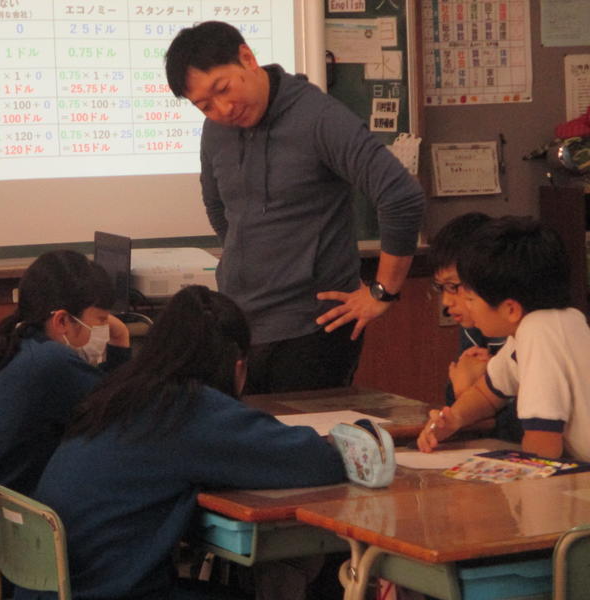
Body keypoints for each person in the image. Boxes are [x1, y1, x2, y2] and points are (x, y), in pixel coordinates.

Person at [16, 285, 346, 600]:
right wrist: (359, 434)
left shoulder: (120, 392)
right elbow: (319, 461)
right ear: (237, 365)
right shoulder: (189, 408)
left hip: (56, 589)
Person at [164, 21, 425, 394]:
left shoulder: (318, 117)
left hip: (312, 330)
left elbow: (401, 195)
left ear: (247, 58)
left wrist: (383, 291)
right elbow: (218, 206)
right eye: (204, 105)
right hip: (240, 324)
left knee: (301, 431)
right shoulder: (216, 129)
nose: (222, 109)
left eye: (223, 89)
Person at [0, 250, 131, 599]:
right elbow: (125, 415)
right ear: (62, 320)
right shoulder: (52, 362)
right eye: (99, 320)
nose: (103, 328)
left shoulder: (20, 344)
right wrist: (121, 341)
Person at [418, 217, 590, 461]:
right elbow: (488, 394)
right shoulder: (557, 321)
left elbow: (543, 447)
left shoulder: (538, 333)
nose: (466, 306)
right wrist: (454, 419)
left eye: (471, 299)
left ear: (510, 309)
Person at [428, 212, 522, 442]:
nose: (446, 301)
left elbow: (526, 427)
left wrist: (465, 394)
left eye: (453, 286)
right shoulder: (476, 327)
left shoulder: (534, 333)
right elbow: (463, 390)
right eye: (441, 288)